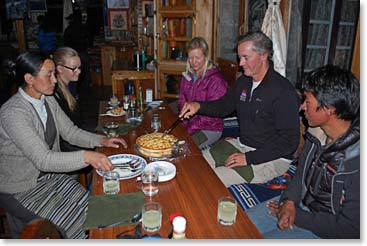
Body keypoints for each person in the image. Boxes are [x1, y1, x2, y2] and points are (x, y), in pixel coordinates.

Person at [0, 50, 127, 238]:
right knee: (72, 226)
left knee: (95, 207)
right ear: (29, 78)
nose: (54, 80)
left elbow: (71, 132)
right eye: (49, 75)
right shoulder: (13, 113)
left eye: (54, 74)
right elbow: (43, 160)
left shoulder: (47, 99)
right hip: (20, 189)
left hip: (50, 178)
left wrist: (101, 140)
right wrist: (87, 156)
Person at [246, 65, 360, 239]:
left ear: (329, 109)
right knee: (239, 224)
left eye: (307, 101)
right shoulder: (317, 134)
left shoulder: (357, 161)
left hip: (328, 230)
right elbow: (301, 174)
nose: (302, 107)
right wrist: (289, 200)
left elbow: (351, 228)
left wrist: (298, 216)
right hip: (300, 205)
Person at [179, 31, 300, 186]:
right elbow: (223, 106)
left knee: (209, 181)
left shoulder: (283, 91)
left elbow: (289, 142)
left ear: (263, 55)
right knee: (195, 165)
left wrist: (249, 158)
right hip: (243, 144)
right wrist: (199, 105)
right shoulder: (244, 82)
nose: (241, 63)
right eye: (240, 57)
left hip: (271, 158)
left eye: (246, 57)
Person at [178, 37, 227, 149]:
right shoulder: (187, 76)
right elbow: (182, 103)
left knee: (184, 148)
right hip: (191, 125)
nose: (193, 62)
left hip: (210, 128)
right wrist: (182, 126)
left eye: (197, 58)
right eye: (190, 58)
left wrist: (188, 131)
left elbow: (214, 114)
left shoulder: (216, 80)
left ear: (206, 57)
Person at [52, 47, 85, 151]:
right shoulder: (54, 93)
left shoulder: (71, 86)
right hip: (65, 147)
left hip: (75, 136)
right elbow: (63, 135)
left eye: (79, 67)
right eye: (74, 68)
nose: (78, 71)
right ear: (60, 69)